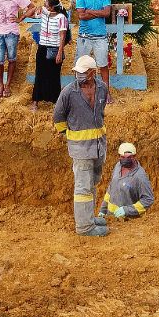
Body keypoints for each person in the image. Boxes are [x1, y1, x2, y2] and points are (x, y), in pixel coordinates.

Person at [53, 55, 110, 237]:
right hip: (81, 149)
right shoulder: (69, 92)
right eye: (77, 72)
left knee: (92, 184)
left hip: (98, 147)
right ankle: (84, 227)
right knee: (83, 188)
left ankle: (89, 218)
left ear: (93, 73)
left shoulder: (102, 88)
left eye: (83, 72)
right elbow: (58, 118)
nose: (78, 75)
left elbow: (100, 114)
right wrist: (70, 134)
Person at [95, 142, 154, 225]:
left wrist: (126, 210)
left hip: (128, 222)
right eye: (123, 157)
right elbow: (111, 189)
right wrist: (103, 210)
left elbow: (148, 200)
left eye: (129, 157)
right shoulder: (118, 166)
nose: (125, 160)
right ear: (119, 156)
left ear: (135, 156)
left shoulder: (139, 177)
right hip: (111, 218)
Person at [73, 0, 112, 86]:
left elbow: (106, 13)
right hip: (84, 37)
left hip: (100, 36)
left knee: (103, 65)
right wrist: (98, 13)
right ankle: (79, 88)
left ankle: (106, 91)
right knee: (81, 65)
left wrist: (89, 11)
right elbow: (81, 16)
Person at [32, 0, 69, 110]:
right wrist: (37, 8)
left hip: (54, 48)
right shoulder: (44, 15)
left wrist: (60, 52)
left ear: (52, 8)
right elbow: (30, 14)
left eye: (46, 6)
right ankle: (35, 101)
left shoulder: (61, 18)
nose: (45, 7)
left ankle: (55, 101)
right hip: (42, 47)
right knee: (39, 74)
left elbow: (62, 36)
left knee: (54, 75)